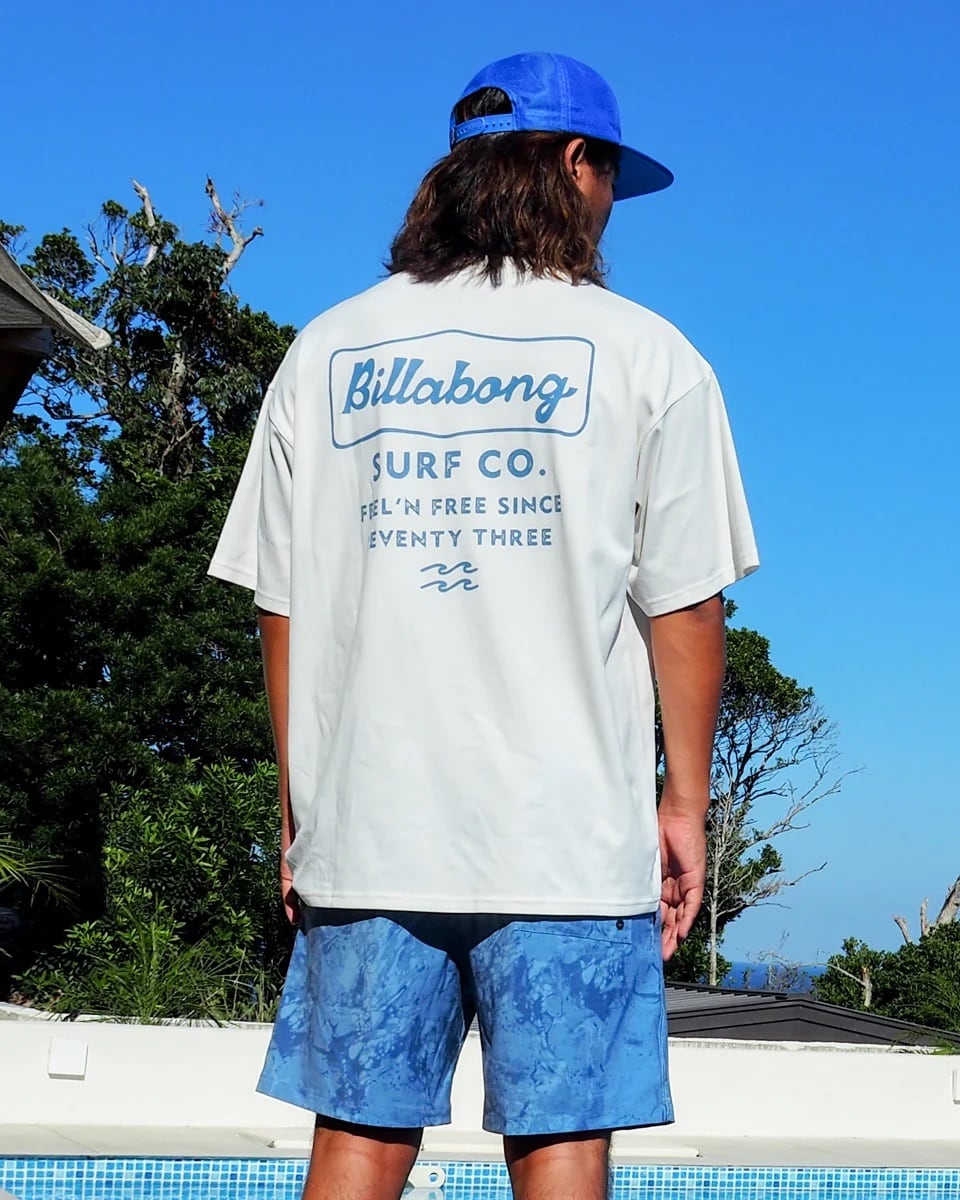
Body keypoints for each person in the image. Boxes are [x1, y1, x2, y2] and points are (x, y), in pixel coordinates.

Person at [209, 50, 758, 1200]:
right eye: (612, 180)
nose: (611, 206)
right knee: (561, 1147)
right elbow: (687, 601)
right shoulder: (649, 354)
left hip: (370, 826)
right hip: (569, 841)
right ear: (576, 162)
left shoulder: (329, 349)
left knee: (358, 1141)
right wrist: (684, 805)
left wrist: (301, 803)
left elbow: (281, 602)